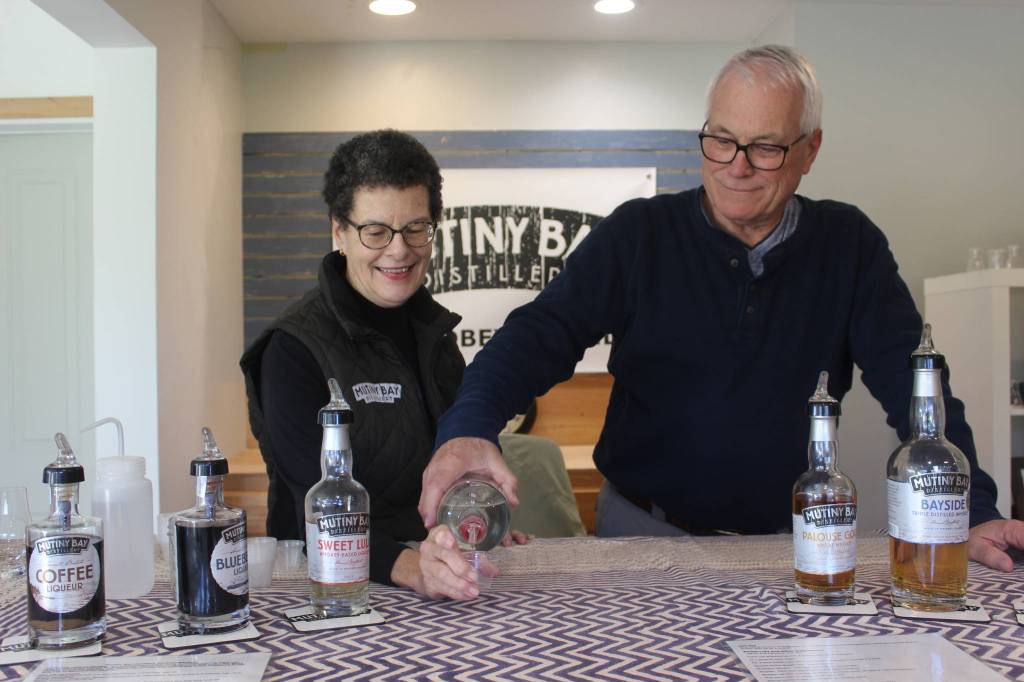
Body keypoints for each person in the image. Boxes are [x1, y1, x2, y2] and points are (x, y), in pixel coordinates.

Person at [419, 46, 1024, 573]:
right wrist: (468, 427)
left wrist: (970, 511)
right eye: (721, 139)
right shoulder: (639, 235)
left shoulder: (850, 245)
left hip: (792, 540)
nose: (735, 166)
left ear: (810, 149)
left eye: (764, 147)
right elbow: (540, 332)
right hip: (641, 532)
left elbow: (914, 384)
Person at [241, 130, 524, 601]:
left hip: (432, 571)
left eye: (416, 228)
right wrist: (413, 568)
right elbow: (318, 508)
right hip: (331, 585)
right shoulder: (291, 349)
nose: (399, 250)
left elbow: (449, 463)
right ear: (339, 231)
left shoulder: (434, 334)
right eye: (376, 231)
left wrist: (477, 521)